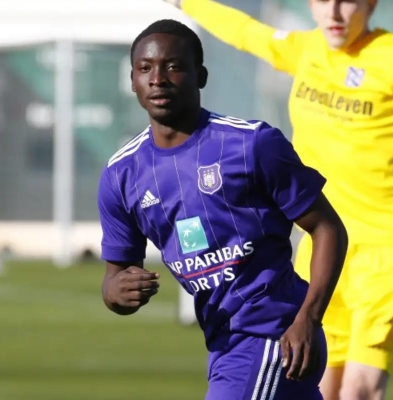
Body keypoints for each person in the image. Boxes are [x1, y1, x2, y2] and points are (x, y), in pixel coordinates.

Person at [160, 1, 393, 399]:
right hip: (323, 246)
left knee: (358, 390)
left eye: (347, 1)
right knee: (316, 384)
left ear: (370, 4)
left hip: (388, 250)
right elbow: (246, 32)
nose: (334, 12)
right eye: (323, 0)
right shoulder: (305, 50)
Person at [97, 19, 348, 400]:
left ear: (200, 76)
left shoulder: (252, 144)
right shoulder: (121, 175)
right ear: (132, 80)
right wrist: (116, 292)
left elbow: (328, 228)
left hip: (273, 335)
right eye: (145, 68)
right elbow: (114, 278)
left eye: (173, 67)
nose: (158, 79)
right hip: (223, 344)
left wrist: (309, 318)